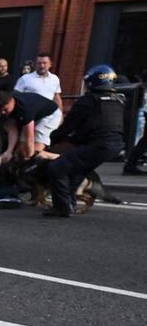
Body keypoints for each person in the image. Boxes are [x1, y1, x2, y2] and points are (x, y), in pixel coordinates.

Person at [44, 65, 126, 218]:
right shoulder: (118, 100)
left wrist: (54, 139)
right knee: (77, 170)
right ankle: (70, 203)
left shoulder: (88, 100)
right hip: (115, 145)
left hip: (98, 145)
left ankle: (62, 207)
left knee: (57, 167)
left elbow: (70, 124)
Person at [0, 89, 63, 162]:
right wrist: (9, 151)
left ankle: (60, 158)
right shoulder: (7, 104)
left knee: (35, 151)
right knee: (21, 150)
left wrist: (30, 156)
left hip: (50, 115)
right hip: (35, 115)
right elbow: (12, 130)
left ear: (11, 101)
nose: (3, 112)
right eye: (0, 110)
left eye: (5, 109)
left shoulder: (25, 109)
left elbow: (30, 137)